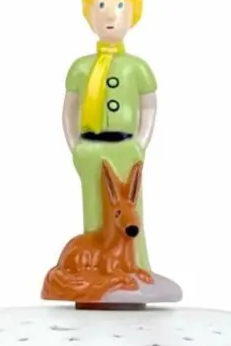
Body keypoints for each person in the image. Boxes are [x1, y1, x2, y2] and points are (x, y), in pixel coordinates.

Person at [63, 0, 157, 272]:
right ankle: (98, 266)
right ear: (89, 14)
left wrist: (141, 142)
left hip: (126, 147)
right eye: (101, 5)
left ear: (133, 15)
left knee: (129, 205)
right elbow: (69, 109)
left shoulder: (137, 67)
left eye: (119, 5)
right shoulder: (81, 68)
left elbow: (149, 106)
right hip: (90, 147)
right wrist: (75, 146)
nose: (109, 14)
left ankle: (135, 265)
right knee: (94, 208)